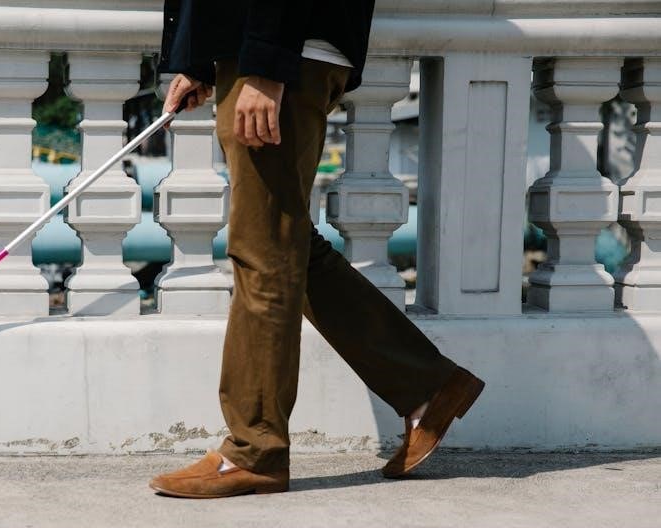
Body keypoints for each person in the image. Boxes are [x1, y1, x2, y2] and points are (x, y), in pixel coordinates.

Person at [149, 0, 485, 498]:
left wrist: (267, 62)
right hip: (266, 48)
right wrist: (199, 58)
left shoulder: (272, 58)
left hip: (279, 50)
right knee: (285, 245)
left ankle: (254, 450)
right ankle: (427, 387)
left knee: (263, 251)